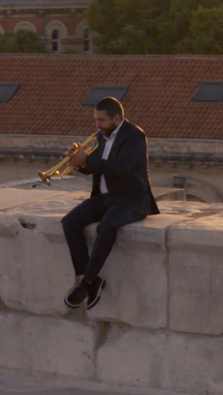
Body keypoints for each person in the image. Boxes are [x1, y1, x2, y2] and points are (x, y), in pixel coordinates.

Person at [60, 97, 160, 310]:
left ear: (117, 117)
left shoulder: (134, 136)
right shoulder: (101, 136)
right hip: (105, 197)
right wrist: (77, 163)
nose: (97, 125)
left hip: (130, 200)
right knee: (69, 222)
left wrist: (86, 159)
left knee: (107, 227)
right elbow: (94, 168)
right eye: (96, 120)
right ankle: (85, 277)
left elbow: (120, 168)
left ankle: (86, 283)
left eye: (102, 120)